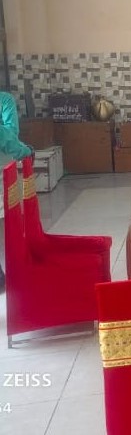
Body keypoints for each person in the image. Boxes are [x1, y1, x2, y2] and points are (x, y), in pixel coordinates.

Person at [0, 91, 33, 293]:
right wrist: (26, 151)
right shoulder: (4, 100)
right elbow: (8, 136)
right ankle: (16, 269)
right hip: (3, 169)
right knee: (8, 222)